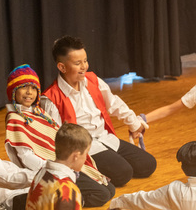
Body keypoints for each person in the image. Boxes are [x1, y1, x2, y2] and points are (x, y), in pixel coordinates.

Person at [40, 36, 156, 187]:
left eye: (85, 61)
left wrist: (134, 124)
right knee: (123, 173)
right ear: (62, 67)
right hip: (85, 149)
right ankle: (91, 173)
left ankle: (109, 165)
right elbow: (55, 137)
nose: (84, 66)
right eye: (77, 63)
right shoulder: (51, 98)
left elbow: (114, 103)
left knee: (148, 164)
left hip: (105, 138)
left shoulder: (93, 80)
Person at [3, 64, 115, 207]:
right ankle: (63, 200)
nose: (29, 92)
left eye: (33, 88)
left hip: (63, 162)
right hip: (51, 170)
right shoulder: (15, 119)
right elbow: (25, 156)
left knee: (110, 189)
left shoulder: (39, 112)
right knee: (102, 195)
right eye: (24, 87)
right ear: (13, 91)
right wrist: (54, 168)